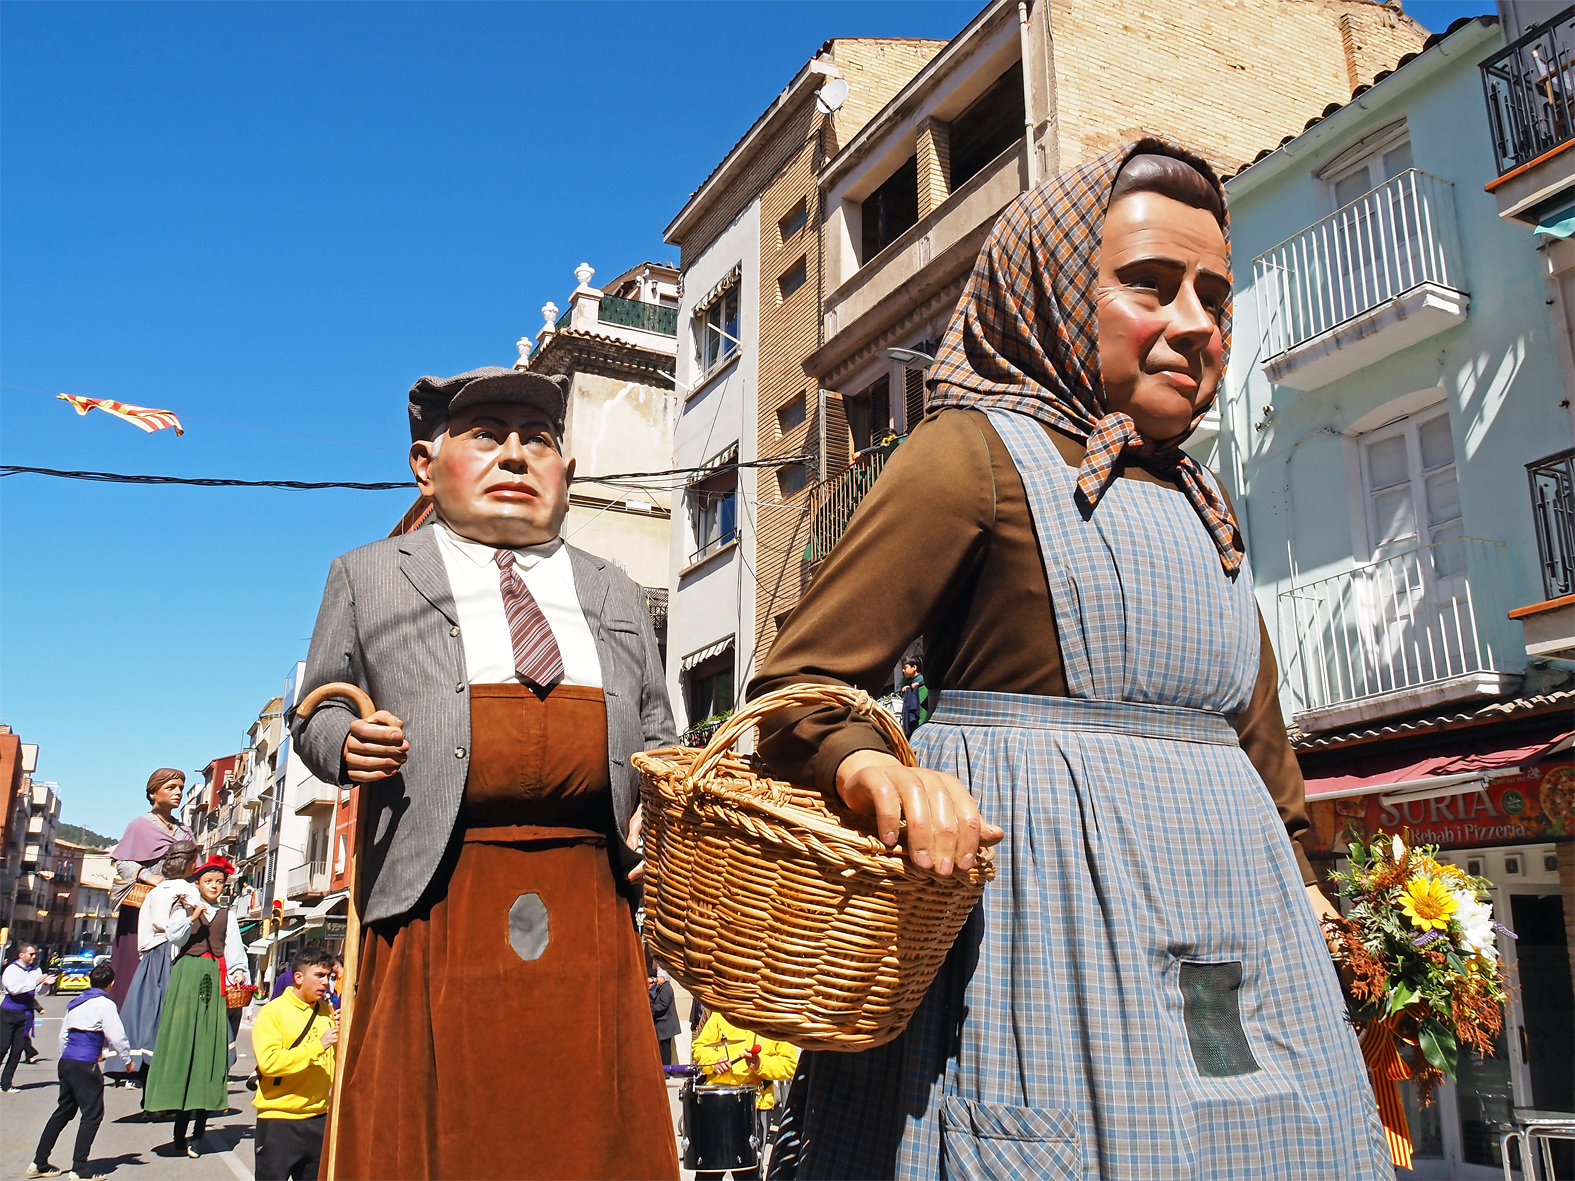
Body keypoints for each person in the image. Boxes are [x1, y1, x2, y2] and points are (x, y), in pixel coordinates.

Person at [750, 141, 1391, 1179]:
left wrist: (1319, 900)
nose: (1197, 324)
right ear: (1046, 293)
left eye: (1216, 298)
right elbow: (797, 687)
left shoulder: (1210, 506)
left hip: (1244, 964)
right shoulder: (970, 455)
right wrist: (878, 770)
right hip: (1041, 957)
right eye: (1150, 284)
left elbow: (1264, 758)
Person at [290, 367, 679, 1179]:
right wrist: (342, 743)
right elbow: (313, 714)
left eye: (536, 439)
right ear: (425, 467)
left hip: (592, 905)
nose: (514, 454)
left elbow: (655, 730)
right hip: (430, 895)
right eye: (487, 435)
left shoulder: (616, 588)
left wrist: (662, 803)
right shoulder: (366, 573)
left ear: (565, 475)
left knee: (589, 1133)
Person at [143, 854, 245, 1157]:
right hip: (186, 978)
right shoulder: (183, 908)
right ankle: (178, 1130)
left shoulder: (227, 915)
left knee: (208, 1052)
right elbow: (173, 938)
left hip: (214, 976)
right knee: (183, 1045)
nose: (214, 886)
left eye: (219, 882)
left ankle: (198, 1135)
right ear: (197, 883)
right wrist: (191, 915)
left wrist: (239, 972)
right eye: (209, 881)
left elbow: (235, 948)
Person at [27, 962, 129, 1180]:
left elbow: (64, 1036)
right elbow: (117, 1036)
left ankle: (39, 1161)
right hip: (86, 1064)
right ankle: (79, 1168)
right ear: (111, 984)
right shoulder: (105, 1004)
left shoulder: (76, 1003)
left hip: (68, 1061)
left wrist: (67, 1058)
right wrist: (127, 1060)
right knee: (92, 1115)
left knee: (63, 1110)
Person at [107, 770, 196, 1008]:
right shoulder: (139, 826)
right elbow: (123, 862)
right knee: (134, 964)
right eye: (171, 787)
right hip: (144, 907)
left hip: (177, 908)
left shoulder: (185, 831)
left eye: (180, 788)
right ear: (153, 793)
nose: (178, 792)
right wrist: (148, 877)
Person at [252, 943, 339, 1181]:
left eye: (329, 977)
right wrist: (317, 1046)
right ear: (298, 977)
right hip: (279, 1121)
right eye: (319, 976)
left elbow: (338, 1060)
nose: (325, 983)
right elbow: (269, 1062)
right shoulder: (273, 1013)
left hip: (318, 1118)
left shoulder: (327, 1011)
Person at [118, 839, 200, 1071]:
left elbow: (145, 929)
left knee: (146, 1013)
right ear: (188, 864)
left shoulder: (155, 892)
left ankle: (141, 1064)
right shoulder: (187, 890)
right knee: (173, 1015)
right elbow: (181, 931)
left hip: (151, 956)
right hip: (174, 954)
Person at [690, 1010, 799, 1181]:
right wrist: (714, 1060)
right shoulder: (721, 1014)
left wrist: (761, 1064)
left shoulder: (775, 1018)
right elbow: (698, 1047)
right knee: (708, 1172)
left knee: (749, 1173)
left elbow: (789, 1064)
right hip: (716, 1105)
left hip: (754, 1106)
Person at [3, 943, 56, 1092]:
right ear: (21, 955)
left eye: (35, 954)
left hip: (25, 1014)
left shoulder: (36, 970)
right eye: (31, 954)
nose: (34, 956)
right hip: (8, 1012)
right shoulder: (12, 970)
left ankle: (6, 1083)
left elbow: (40, 991)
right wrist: (36, 982)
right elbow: (13, 990)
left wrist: (46, 984)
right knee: (3, 1047)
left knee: (17, 1050)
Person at [648, 956, 680, 1066]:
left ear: (664, 978)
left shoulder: (666, 989)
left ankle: (666, 1069)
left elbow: (663, 1005)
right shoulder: (660, 987)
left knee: (665, 1048)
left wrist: (651, 1010)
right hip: (662, 1024)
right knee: (662, 1048)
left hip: (666, 1025)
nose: (657, 979)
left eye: (658, 977)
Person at [897, 657, 928, 738]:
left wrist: (919, 684)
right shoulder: (911, 681)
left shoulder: (921, 679)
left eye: (905, 668)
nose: (903, 671)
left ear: (914, 667)